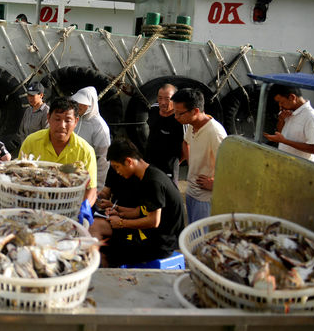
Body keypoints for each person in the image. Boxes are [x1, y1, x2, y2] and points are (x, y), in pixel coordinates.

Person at [90, 140, 185, 267]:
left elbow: (153, 221)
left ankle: (107, 277)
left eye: (117, 167)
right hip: (149, 234)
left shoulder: (153, 181)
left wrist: (122, 223)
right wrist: (117, 210)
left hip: (159, 243)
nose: (117, 172)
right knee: (95, 225)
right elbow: (139, 211)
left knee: (106, 248)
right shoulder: (146, 175)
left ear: (129, 161)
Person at [19, 97, 98, 224]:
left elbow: (91, 188)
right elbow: (19, 175)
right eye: (57, 119)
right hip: (34, 206)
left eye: (68, 120)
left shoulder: (85, 151)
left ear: (76, 121)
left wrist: (84, 206)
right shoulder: (31, 142)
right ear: (48, 118)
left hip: (69, 210)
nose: (62, 125)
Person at [171, 88, 226, 223]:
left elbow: (232, 166)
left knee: (203, 240)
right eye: (175, 113)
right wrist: (191, 163)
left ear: (195, 111)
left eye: (179, 114)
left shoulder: (215, 133)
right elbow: (186, 142)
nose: (176, 117)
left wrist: (216, 183)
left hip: (206, 198)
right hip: (192, 191)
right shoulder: (192, 124)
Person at [263, 84, 314, 161]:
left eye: (281, 102)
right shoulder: (287, 112)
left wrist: (284, 141)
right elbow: (281, 132)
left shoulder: (311, 118)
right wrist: (281, 120)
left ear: (292, 97)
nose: (280, 106)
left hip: (299, 167)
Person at [70, 87, 111, 190]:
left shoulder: (99, 127)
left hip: (87, 178)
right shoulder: (74, 119)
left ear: (90, 104)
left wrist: (98, 187)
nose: (79, 105)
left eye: (82, 103)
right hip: (70, 175)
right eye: (77, 102)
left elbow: (103, 159)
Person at [144, 83, 186, 183]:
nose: (163, 102)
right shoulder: (153, 109)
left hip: (169, 166)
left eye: (167, 99)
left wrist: (176, 162)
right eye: (160, 98)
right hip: (150, 162)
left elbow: (187, 145)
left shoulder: (181, 118)